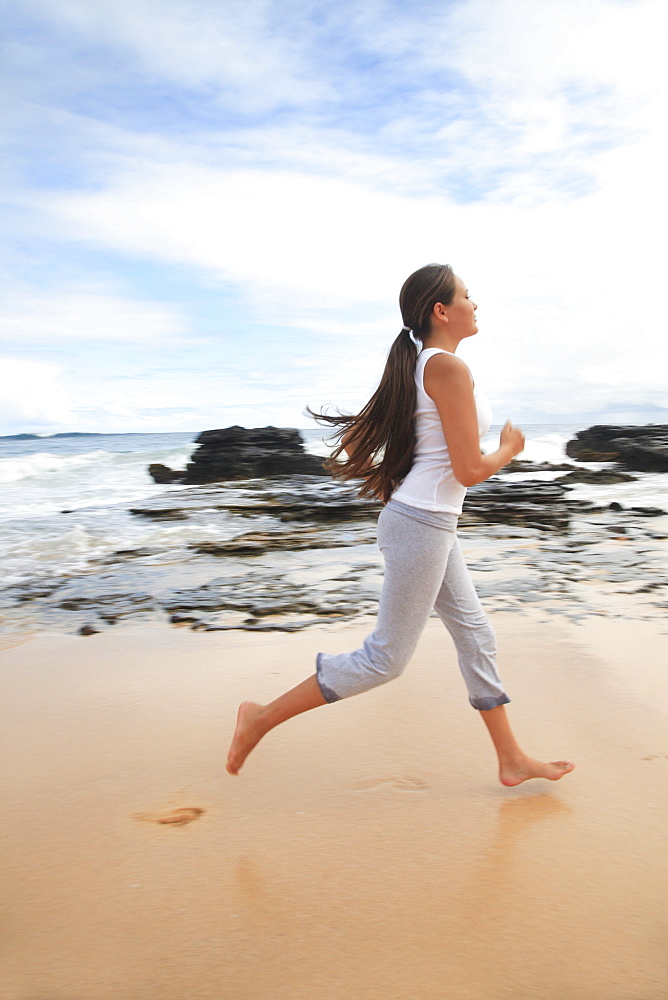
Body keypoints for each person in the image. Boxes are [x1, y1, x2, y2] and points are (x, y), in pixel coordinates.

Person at [226, 263, 575, 786]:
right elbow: (469, 471)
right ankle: (260, 718)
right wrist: (508, 449)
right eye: (466, 295)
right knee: (385, 659)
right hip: (422, 524)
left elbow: (404, 450)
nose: (474, 304)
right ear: (441, 310)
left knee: (476, 634)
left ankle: (511, 759)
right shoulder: (446, 368)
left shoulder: (423, 365)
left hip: (425, 522)